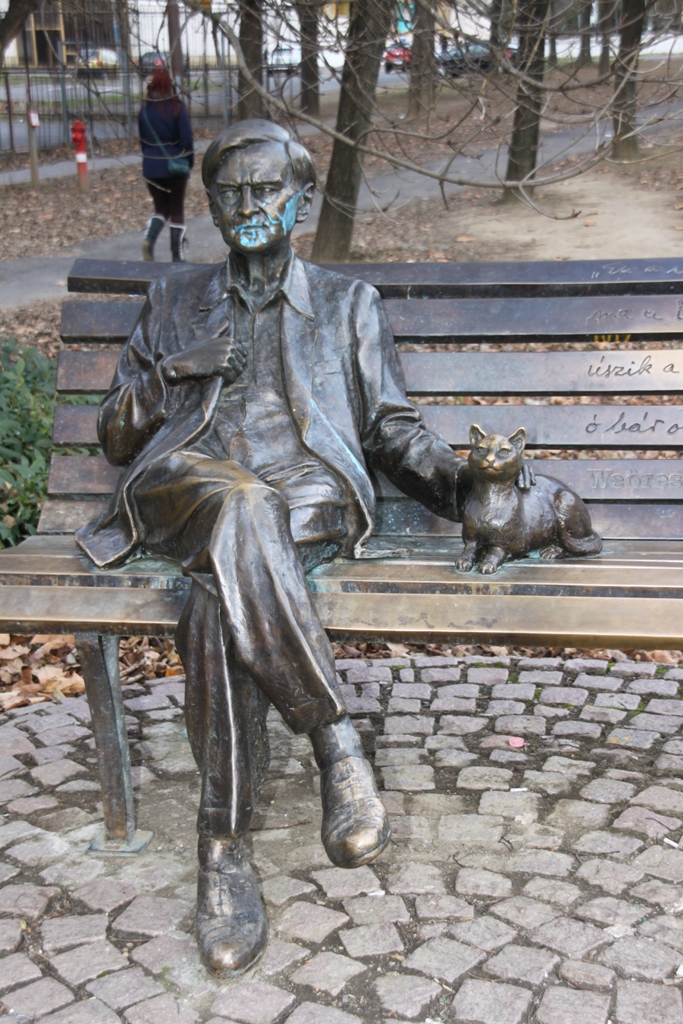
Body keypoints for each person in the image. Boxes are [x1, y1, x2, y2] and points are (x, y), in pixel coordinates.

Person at [76, 120, 532, 979]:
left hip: (307, 489)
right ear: (212, 206)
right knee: (240, 508)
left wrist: (467, 487)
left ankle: (221, 852)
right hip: (186, 484)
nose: (248, 206)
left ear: (300, 199)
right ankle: (334, 742)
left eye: (266, 190)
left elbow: (390, 430)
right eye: (231, 193)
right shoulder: (173, 303)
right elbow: (114, 437)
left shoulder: (347, 304)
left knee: (218, 595)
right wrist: (171, 372)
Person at [139, 67, 194, 263]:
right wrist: (188, 162)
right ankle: (177, 256)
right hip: (175, 167)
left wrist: (150, 159)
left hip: (151, 167)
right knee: (176, 210)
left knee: (161, 209)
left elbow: (143, 141)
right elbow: (186, 140)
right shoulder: (177, 108)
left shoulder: (145, 110)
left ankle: (148, 239)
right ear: (170, 85)